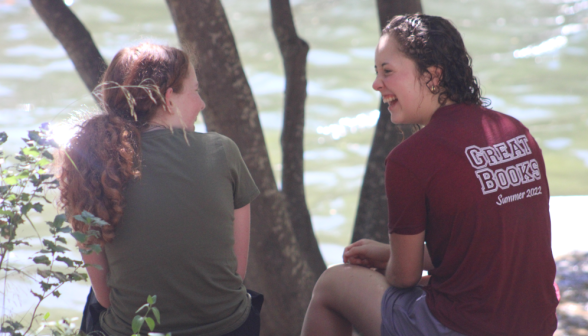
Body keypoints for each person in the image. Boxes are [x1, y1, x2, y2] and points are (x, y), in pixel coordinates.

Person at [301, 14, 558, 336]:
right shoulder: (515, 131)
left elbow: (403, 278)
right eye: (376, 73)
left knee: (333, 284)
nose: (376, 84)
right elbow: (483, 247)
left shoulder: (410, 158)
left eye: (388, 72)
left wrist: (395, 263)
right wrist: (388, 253)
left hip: (466, 327)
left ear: (432, 76)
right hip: (536, 323)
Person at [59, 43, 262, 336]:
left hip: (135, 330)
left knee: (95, 303)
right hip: (229, 329)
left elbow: (105, 297)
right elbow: (236, 276)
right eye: (195, 91)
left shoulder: (88, 166)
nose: (202, 104)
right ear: (168, 99)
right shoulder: (222, 152)